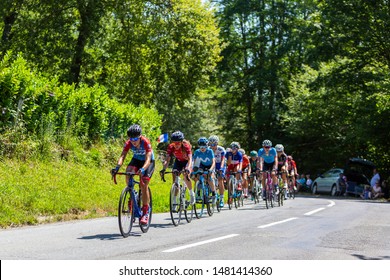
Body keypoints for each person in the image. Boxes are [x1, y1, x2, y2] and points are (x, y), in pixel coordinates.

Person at [111, 124, 154, 225]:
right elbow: (122, 156)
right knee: (128, 172)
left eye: (135, 138)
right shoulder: (128, 143)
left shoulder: (145, 142)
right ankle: (132, 193)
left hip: (148, 162)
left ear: (140, 136)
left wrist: (143, 169)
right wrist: (117, 167)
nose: (133, 141)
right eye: (131, 139)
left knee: (143, 184)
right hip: (136, 160)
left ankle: (145, 212)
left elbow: (148, 159)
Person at [160, 131, 195, 205]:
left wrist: (188, 168)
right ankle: (175, 201)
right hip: (178, 162)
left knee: (186, 176)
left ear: (182, 142)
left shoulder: (186, 146)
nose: (176, 145)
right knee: (175, 179)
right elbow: (167, 159)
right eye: (174, 142)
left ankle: (192, 194)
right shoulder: (171, 146)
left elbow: (190, 159)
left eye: (178, 143)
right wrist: (163, 169)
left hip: (187, 162)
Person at [192, 137, 216, 203]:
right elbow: (195, 162)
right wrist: (194, 170)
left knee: (209, 178)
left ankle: (214, 194)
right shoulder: (197, 152)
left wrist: (211, 169)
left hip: (210, 165)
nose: (202, 148)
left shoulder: (210, 151)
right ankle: (198, 192)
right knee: (197, 176)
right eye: (200, 146)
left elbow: (213, 162)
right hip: (202, 165)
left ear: (207, 146)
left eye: (204, 146)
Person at [208, 135, 226, 208]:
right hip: (213, 164)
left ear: (217, 143)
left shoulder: (221, 149)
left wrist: (221, 168)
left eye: (214, 144)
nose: (212, 146)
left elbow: (223, 160)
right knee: (209, 177)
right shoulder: (208, 149)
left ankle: (221, 198)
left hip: (220, 164)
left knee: (220, 179)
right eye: (211, 144)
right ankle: (213, 191)